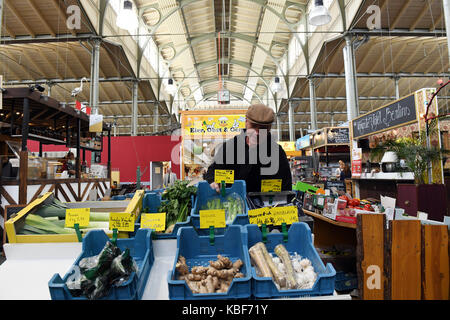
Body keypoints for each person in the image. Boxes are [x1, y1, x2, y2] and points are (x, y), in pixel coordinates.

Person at [204, 104, 292, 193]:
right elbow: (212, 171)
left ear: (269, 128)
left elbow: (286, 186)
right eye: (253, 126)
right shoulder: (230, 147)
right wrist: (213, 181)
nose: (257, 133)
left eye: (263, 128)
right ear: (246, 122)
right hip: (232, 202)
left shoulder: (277, 152)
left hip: (265, 205)